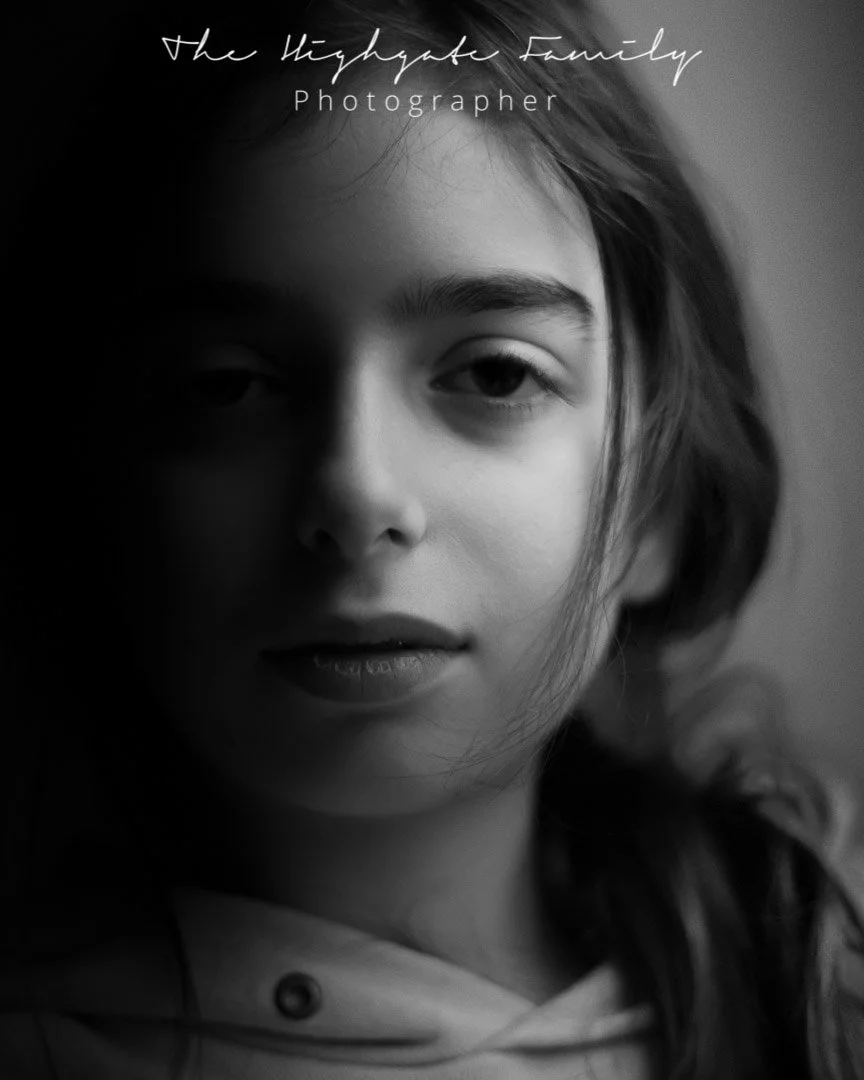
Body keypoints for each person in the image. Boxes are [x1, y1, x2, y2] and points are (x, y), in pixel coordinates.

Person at [1, 0, 862, 1077]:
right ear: (91, 482)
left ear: (657, 501)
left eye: (496, 372)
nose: (357, 491)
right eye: (225, 386)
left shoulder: (822, 987)